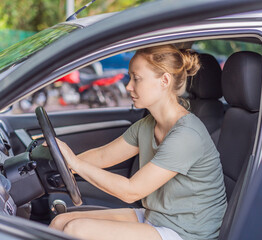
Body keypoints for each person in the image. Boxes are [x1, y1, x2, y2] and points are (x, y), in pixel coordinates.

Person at [48, 45, 227, 240]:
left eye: (136, 78)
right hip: (157, 217)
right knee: (60, 223)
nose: (128, 86)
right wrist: (61, 164)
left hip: (186, 233)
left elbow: (131, 192)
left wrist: (75, 163)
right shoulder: (147, 125)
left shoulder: (187, 135)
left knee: (76, 230)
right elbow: (102, 156)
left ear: (164, 81)